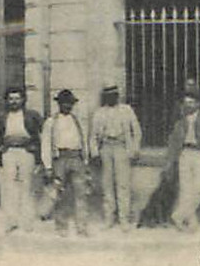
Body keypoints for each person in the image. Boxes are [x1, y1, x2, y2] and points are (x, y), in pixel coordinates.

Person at [0, 85, 44, 233]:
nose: (14, 102)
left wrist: (36, 149)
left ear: (23, 100)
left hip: (26, 152)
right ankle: (11, 221)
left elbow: (45, 132)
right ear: (6, 101)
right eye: (11, 99)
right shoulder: (1, 117)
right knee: (9, 187)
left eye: (17, 98)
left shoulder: (32, 115)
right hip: (9, 153)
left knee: (27, 186)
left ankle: (27, 221)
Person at [165, 89, 200, 231]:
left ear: (198, 104)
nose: (188, 105)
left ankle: (179, 215)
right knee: (186, 189)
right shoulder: (180, 120)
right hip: (185, 154)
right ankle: (191, 221)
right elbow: (173, 139)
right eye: (186, 103)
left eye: (192, 102)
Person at [88, 85, 141, 230]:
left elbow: (136, 131)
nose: (112, 97)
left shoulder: (126, 110)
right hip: (106, 147)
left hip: (122, 148)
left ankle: (124, 219)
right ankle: (108, 219)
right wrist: (95, 153)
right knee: (107, 184)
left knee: (123, 184)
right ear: (105, 97)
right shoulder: (99, 113)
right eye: (108, 95)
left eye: (114, 94)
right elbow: (93, 136)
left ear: (118, 95)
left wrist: (134, 150)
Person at [41, 88, 91, 236]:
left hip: (76, 159)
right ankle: (61, 227)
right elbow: (45, 144)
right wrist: (48, 166)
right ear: (59, 104)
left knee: (81, 193)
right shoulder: (51, 122)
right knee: (59, 194)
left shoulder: (77, 120)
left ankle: (82, 227)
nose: (67, 106)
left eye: (70, 104)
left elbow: (83, 141)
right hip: (60, 159)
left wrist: (85, 160)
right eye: (64, 103)